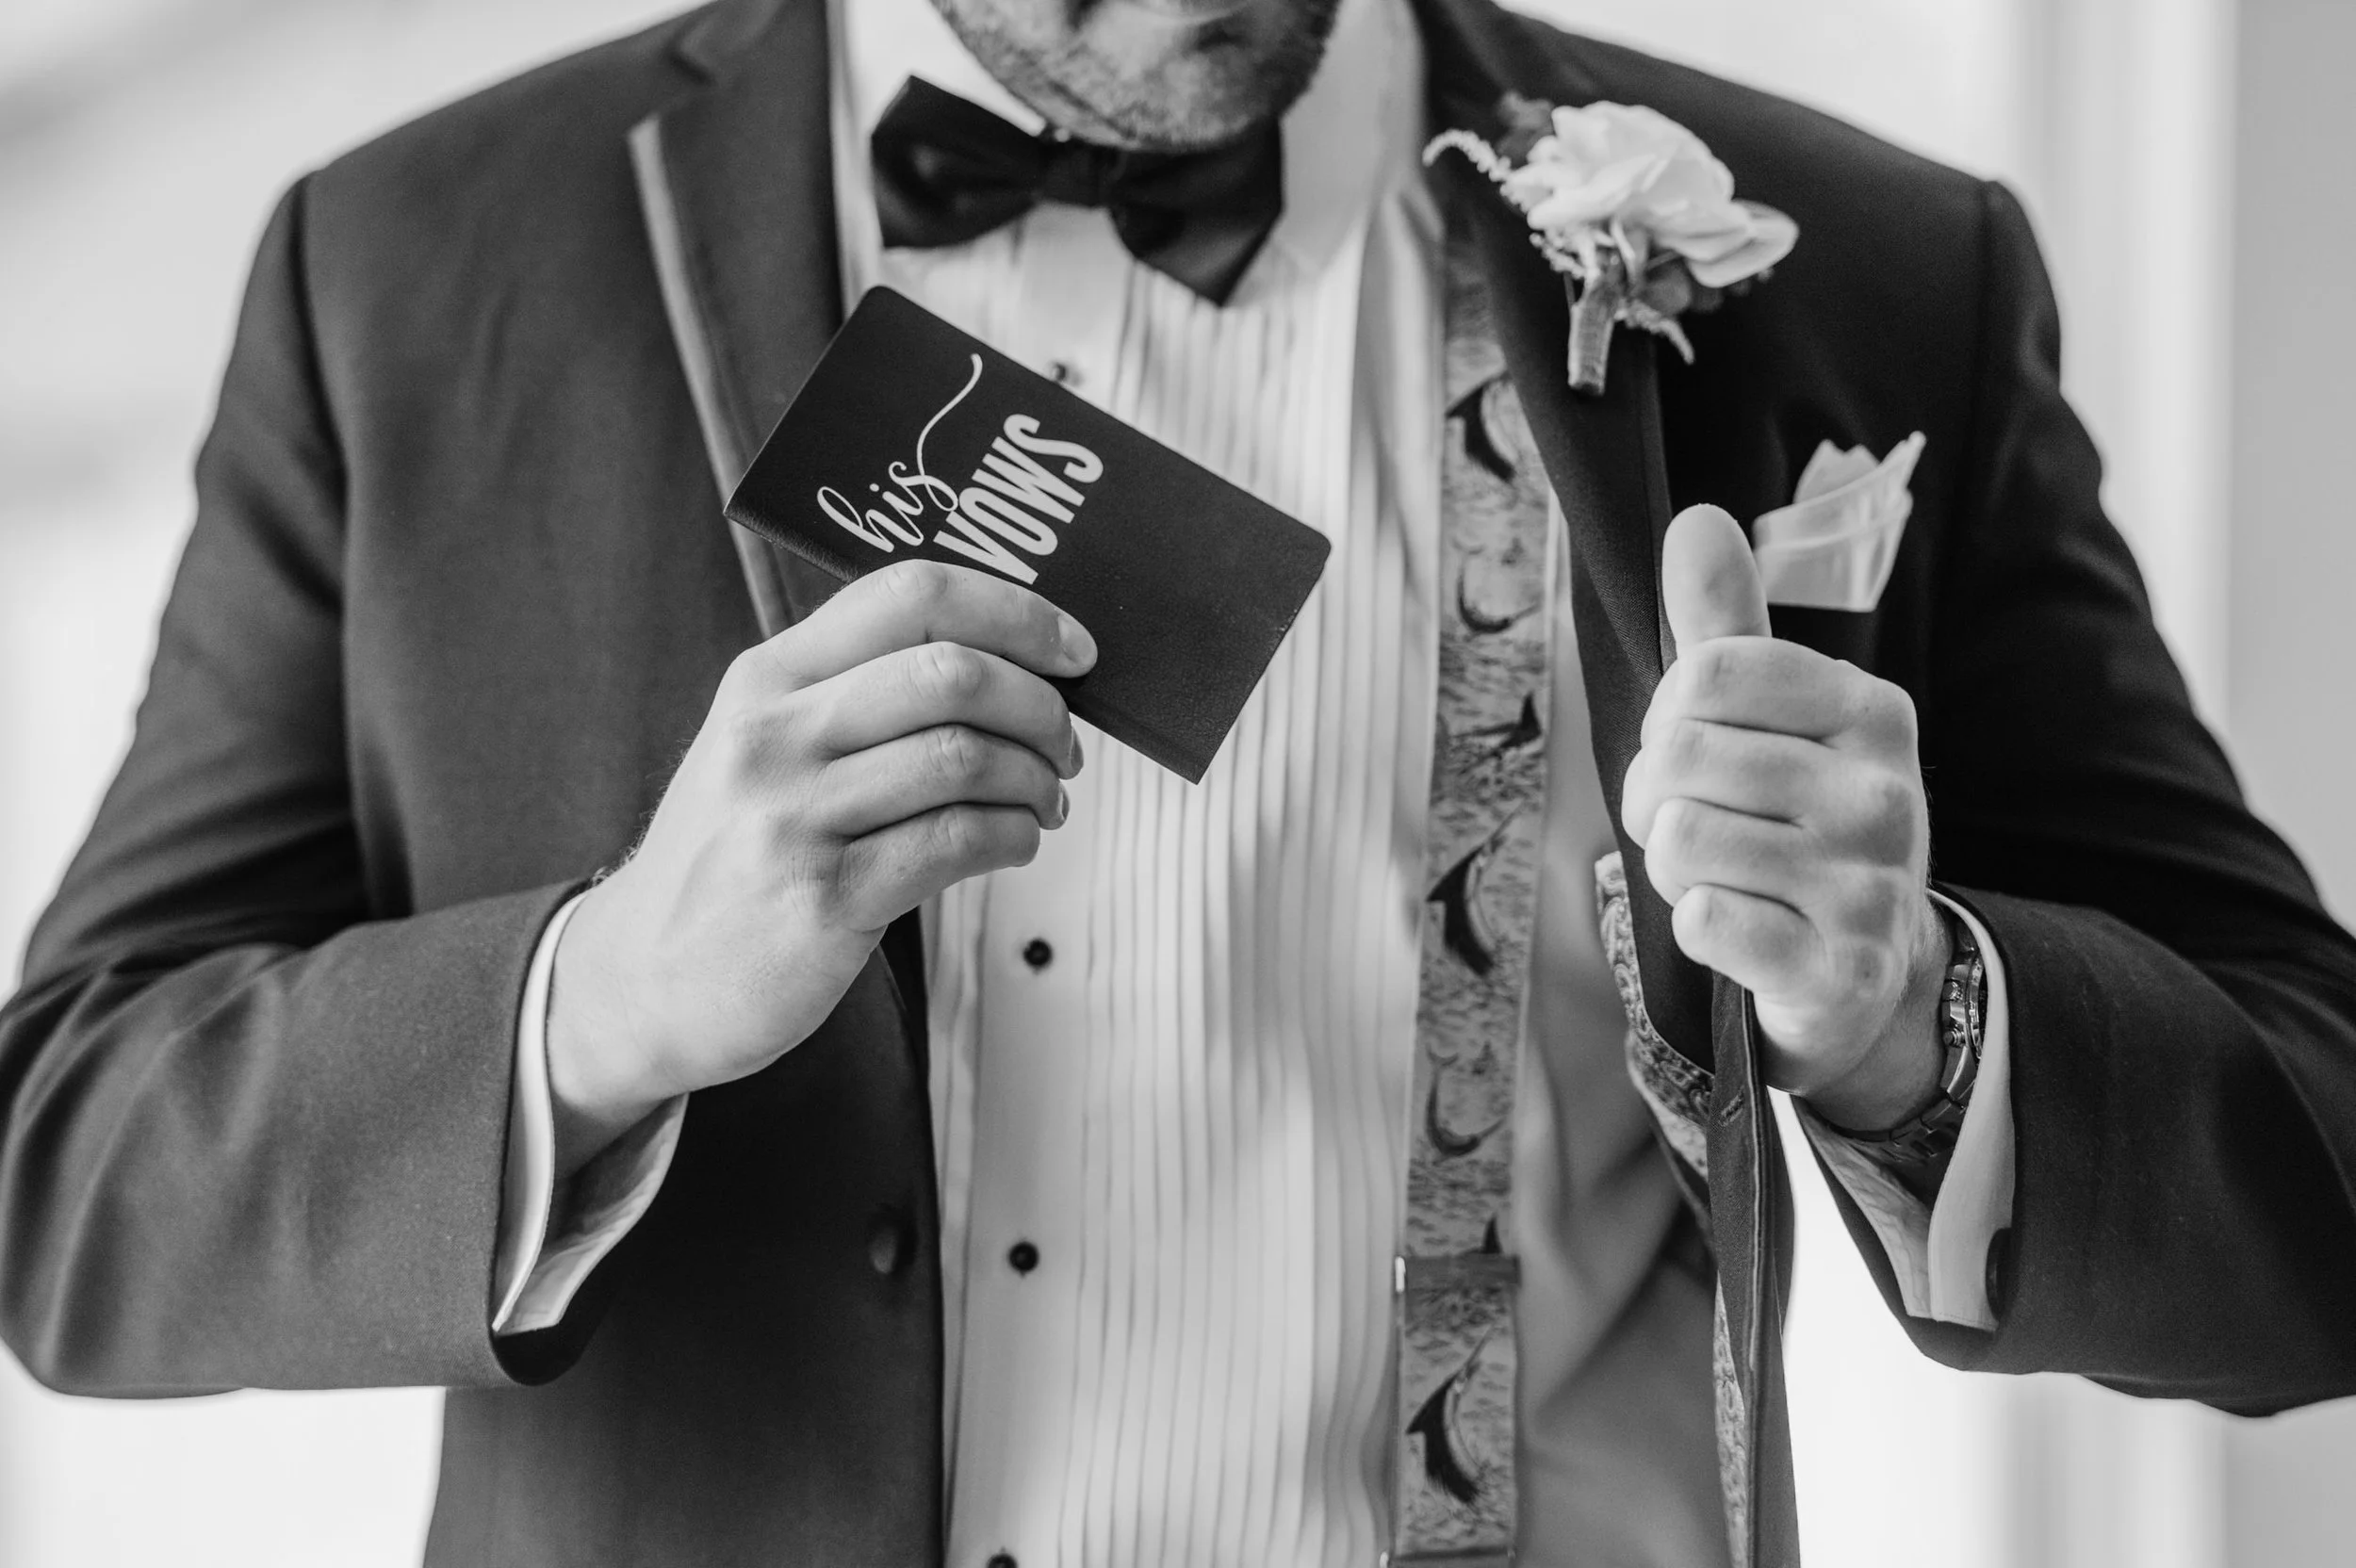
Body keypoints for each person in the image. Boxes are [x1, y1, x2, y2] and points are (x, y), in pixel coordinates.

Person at [6, 0, 2356, 1563]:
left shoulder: (1850, 264)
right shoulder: (407, 270)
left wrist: (1912, 1022)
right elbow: (74, 1172)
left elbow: (2314, 1186)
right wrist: (594, 1001)